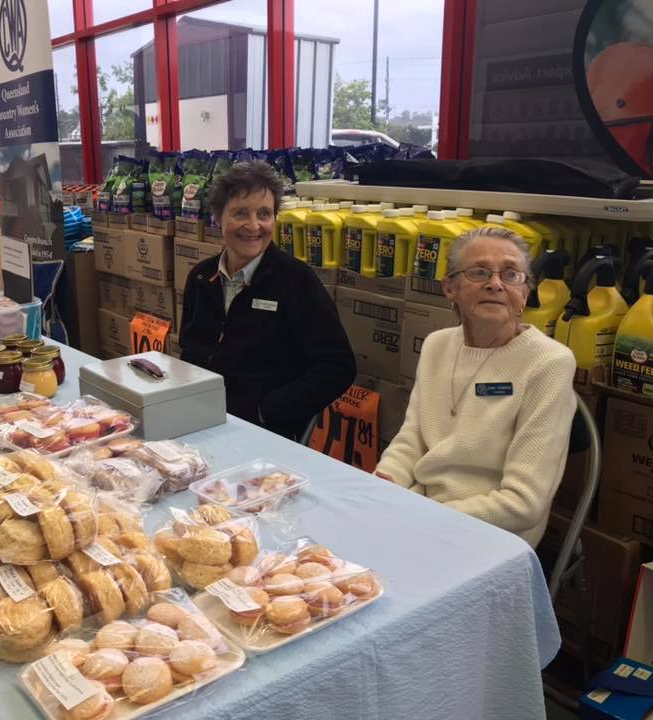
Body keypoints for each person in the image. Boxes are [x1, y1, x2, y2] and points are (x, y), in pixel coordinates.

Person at [374, 226, 576, 548]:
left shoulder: (549, 363)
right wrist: (382, 486)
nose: (495, 284)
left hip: (491, 534)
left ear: (524, 294)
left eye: (511, 275)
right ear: (449, 288)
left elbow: (524, 504)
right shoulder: (437, 346)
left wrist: (421, 516)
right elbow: (411, 439)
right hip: (419, 512)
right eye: (479, 272)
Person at [179, 160, 356, 440]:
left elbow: (338, 366)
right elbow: (189, 350)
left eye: (264, 214)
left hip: (265, 431)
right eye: (240, 213)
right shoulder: (201, 278)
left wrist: (268, 410)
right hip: (200, 419)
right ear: (217, 217)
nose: (254, 226)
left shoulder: (296, 281)